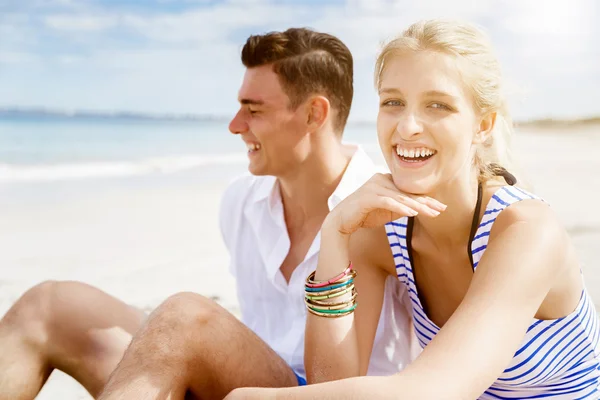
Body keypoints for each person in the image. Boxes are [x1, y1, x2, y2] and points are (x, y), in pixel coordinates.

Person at [0, 28, 416, 400]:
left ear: (314, 114)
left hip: (326, 394)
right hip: (238, 384)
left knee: (185, 316)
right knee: (49, 304)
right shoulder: (239, 201)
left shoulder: (390, 210)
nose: (235, 125)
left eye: (253, 110)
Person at [225, 19, 600, 400]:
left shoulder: (526, 231)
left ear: (483, 125)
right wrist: (335, 233)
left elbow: (431, 391)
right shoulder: (383, 232)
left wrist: (256, 397)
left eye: (438, 105)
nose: (407, 127)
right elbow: (331, 382)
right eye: (393, 102)